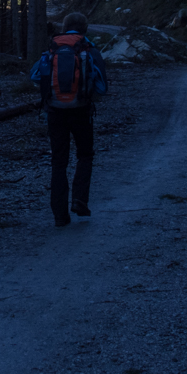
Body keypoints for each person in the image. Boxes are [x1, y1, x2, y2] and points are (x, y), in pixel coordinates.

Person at [30, 12, 108, 226]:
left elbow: (35, 75)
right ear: (85, 28)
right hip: (81, 111)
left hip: (55, 112)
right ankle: (79, 200)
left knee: (58, 161)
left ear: (64, 27)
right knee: (84, 155)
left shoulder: (53, 48)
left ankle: (60, 215)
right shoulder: (89, 49)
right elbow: (102, 88)